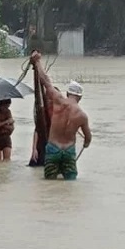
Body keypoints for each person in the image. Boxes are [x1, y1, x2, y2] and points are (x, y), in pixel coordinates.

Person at [30, 51, 92, 180]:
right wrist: (85, 144)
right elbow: (88, 138)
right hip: (69, 150)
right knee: (70, 182)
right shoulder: (82, 116)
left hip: (53, 148)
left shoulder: (58, 100)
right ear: (80, 97)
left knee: (50, 182)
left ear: (68, 93)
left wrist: (37, 62)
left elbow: (45, 81)